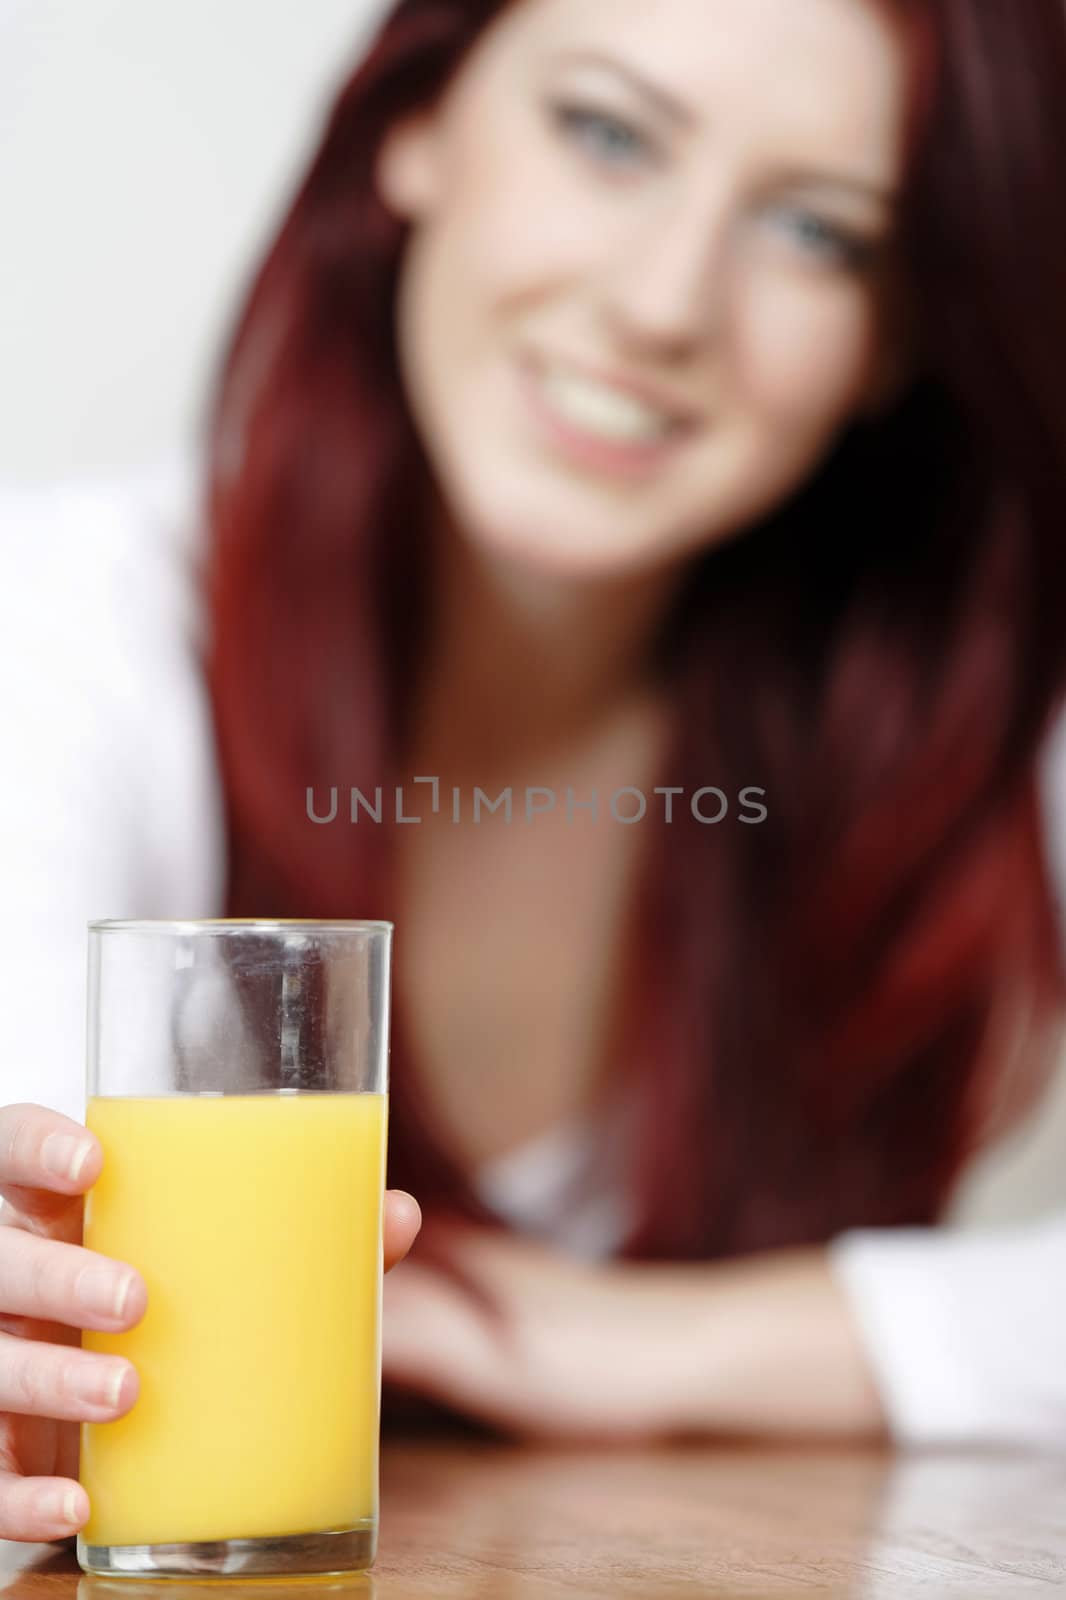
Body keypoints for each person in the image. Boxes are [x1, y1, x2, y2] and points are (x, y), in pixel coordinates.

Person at [2, 0, 1066, 1545]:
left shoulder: (967, 727)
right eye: (609, 135)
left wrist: (649, 1344)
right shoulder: (65, 628)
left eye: (817, 231)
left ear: (897, 333)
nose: (660, 303)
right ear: (414, 129)